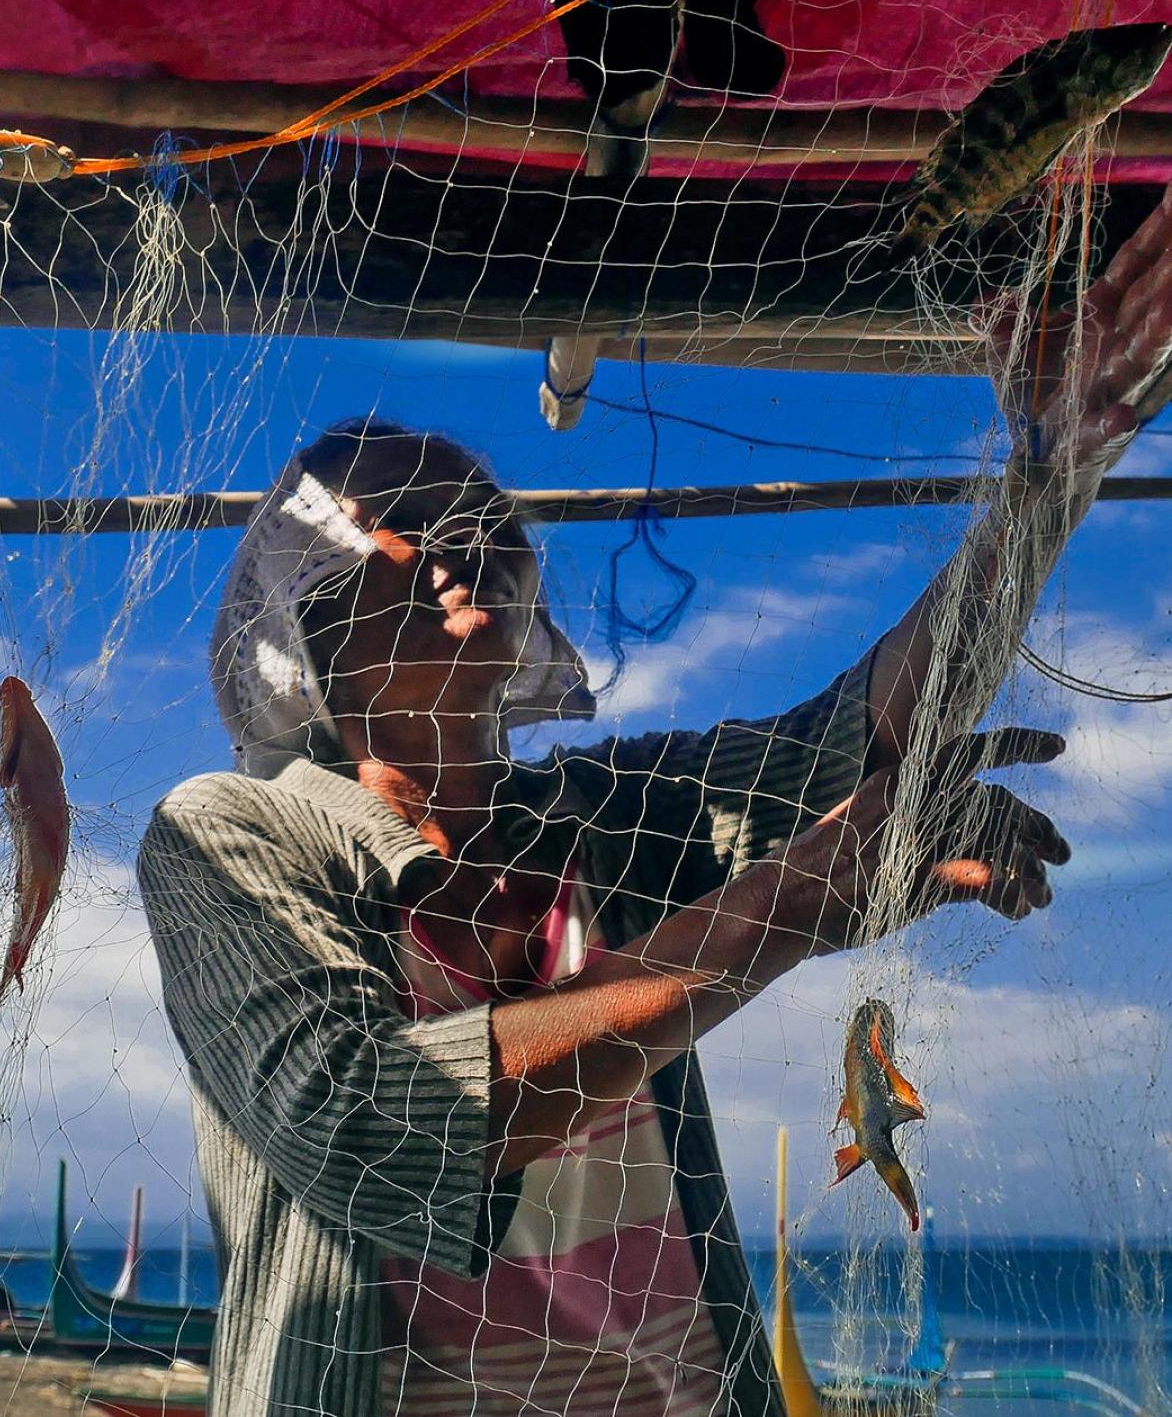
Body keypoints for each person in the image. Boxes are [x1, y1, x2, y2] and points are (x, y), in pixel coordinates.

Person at [139, 190, 1172, 1417]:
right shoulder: (223, 833)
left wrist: (1057, 465)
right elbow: (369, 1126)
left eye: (485, 518)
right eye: (398, 522)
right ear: (303, 617)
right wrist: (791, 904)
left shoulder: (606, 814)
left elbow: (866, 730)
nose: (462, 538)